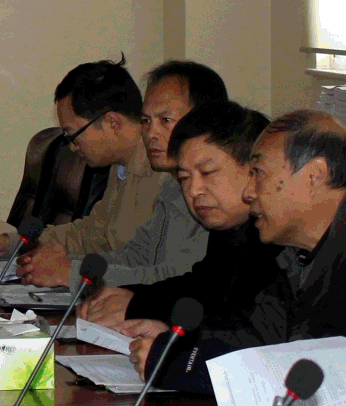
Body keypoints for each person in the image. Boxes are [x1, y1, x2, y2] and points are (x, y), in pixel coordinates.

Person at [118, 110, 346, 394]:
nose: (249, 191)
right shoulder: (300, 254)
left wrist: (180, 364)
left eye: (258, 173)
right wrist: (178, 340)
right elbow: (256, 335)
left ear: (314, 175)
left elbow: (325, 378)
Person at [84, 100, 279, 337]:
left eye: (208, 173)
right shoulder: (229, 228)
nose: (194, 190)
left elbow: (232, 313)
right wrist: (129, 294)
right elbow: (201, 286)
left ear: (254, 170)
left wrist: (137, 305)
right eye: (185, 178)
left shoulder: (275, 239)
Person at [25, 60, 221, 288]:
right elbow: (136, 255)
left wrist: (70, 272)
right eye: (146, 121)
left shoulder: (208, 192)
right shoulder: (172, 186)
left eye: (165, 121)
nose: (150, 133)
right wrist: (66, 267)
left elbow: (172, 280)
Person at [0, 58, 161, 286]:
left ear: (112, 123)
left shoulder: (164, 175)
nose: (71, 147)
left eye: (72, 135)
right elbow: (91, 235)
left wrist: (70, 272)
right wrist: (12, 244)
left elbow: (152, 266)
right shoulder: (121, 168)